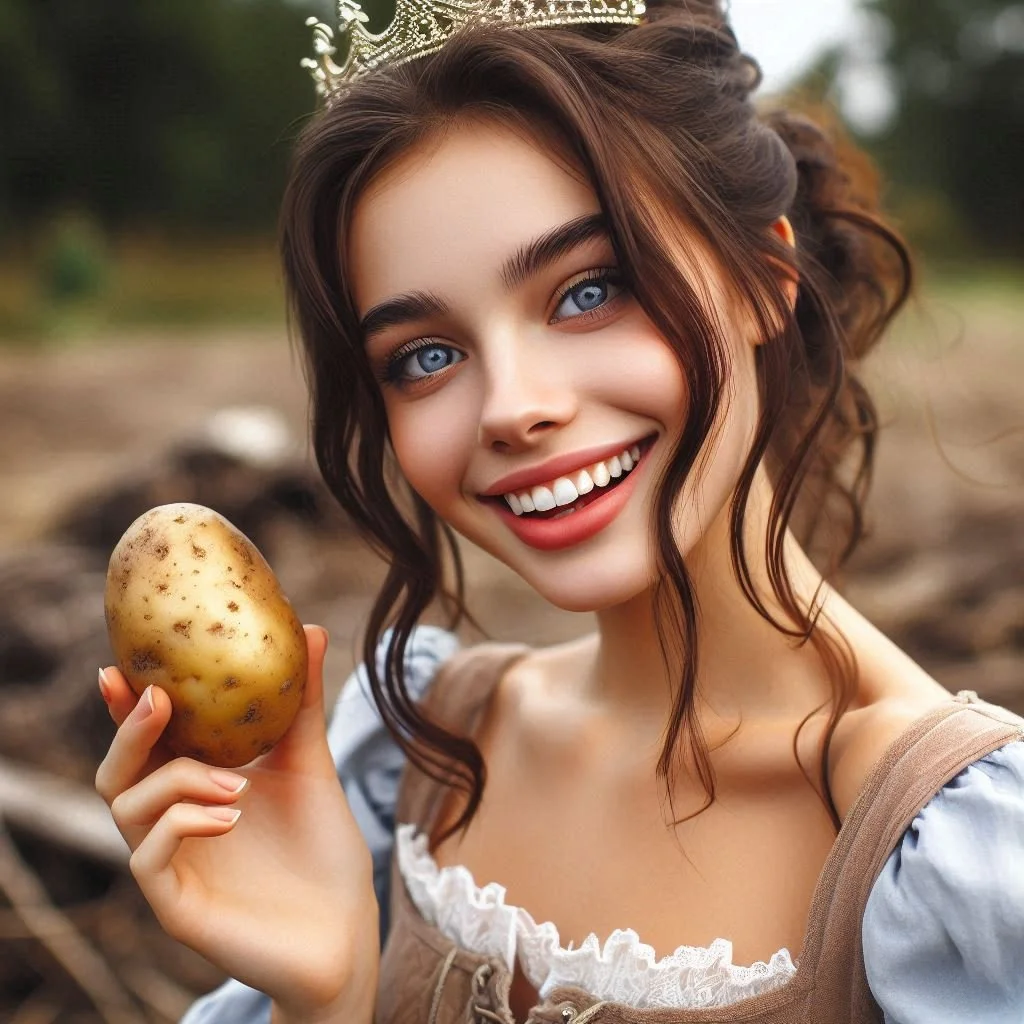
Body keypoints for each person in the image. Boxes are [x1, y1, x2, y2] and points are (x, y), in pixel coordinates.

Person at [94, 1, 1024, 1021]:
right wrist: (331, 990)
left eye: (588, 291)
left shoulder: (960, 873)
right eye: (426, 356)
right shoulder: (413, 755)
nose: (510, 408)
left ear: (766, 275)